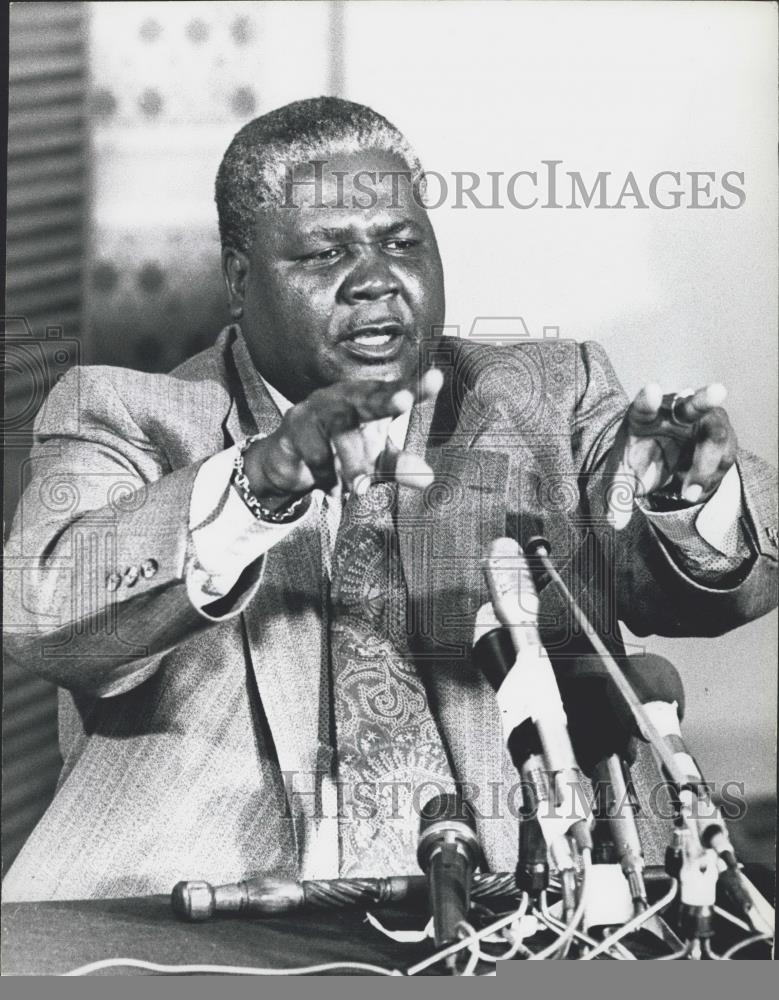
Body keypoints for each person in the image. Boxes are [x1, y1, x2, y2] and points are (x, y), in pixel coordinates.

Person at [3, 97, 776, 901]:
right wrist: (255, 486)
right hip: (213, 915)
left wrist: (690, 495)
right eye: (325, 252)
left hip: (538, 907)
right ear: (239, 281)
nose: (375, 281)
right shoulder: (127, 414)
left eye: (402, 243)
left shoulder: (547, 395)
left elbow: (699, 592)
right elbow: (41, 613)